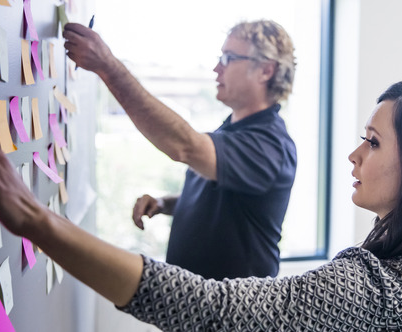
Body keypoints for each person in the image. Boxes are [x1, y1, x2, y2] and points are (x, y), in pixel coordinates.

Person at [0, 79, 402, 331]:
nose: (354, 154)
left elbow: (209, 306)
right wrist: (171, 203)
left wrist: (38, 223)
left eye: (375, 140)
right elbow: (212, 181)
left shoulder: (378, 290)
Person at [62, 20, 297, 280]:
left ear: (266, 70)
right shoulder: (232, 130)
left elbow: (184, 146)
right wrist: (166, 204)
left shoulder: (270, 146)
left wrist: (108, 66)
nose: (217, 68)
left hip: (233, 315)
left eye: (229, 58)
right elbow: (225, 200)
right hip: (198, 305)